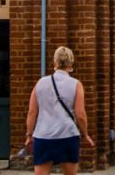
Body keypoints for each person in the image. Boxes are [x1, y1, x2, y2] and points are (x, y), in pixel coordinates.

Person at [25, 46, 95, 175]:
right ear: (71, 64)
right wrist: (85, 134)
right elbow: (80, 114)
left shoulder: (40, 83)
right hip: (68, 135)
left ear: (55, 62)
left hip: (43, 135)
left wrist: (29, 135)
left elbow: (32, 112)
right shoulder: (76, 84)